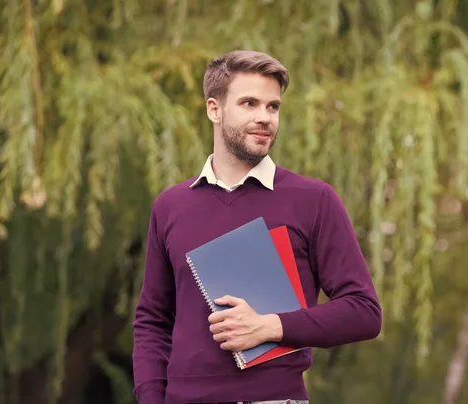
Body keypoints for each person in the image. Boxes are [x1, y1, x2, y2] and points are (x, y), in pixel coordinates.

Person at [132, 50, 382, 404]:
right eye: (249, 103)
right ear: (214, 109)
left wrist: (270, 326)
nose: (265, 117)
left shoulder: (313, 200)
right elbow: (152, 322)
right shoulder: (170, 206)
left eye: (273, 107)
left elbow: (364, 312)